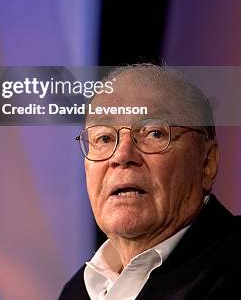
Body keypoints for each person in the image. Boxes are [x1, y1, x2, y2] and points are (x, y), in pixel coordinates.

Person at [59, 64, 240, 299]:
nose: (121, 156)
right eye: (104, 138)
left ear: (207, 162)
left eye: (154, 133)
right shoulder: (76, 291)